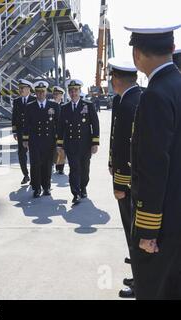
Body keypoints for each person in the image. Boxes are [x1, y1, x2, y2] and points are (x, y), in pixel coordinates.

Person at [125, 24, 181, 300]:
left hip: (164, 224)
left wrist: (147, 230)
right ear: (172, 49)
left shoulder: (154, 96)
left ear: (137, 55)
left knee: (156, 290)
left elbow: (153, 167)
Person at [107, 58, 142, 299]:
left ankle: (140, 283)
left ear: (117, 80)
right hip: (136, 178)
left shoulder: (128, 103)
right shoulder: (132, 98)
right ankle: (138, 275)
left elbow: (124, 145)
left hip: (129, 181)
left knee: (135, 232)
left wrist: (119, 182)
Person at [57, 79, 100, 205]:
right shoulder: (64, 108)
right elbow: (61, 128)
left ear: (79, 91)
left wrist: (95, 143)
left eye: (75, 90)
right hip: (71, 144)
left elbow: (95, 124)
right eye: (71, 91)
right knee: (74, 168)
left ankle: (83, 187)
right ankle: (75, 193)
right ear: (68, 93)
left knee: (85, 169)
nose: (73, 93)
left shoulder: (88, 105)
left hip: (85, 144)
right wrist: (60, 145)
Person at [23, 81, 60, 198]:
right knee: (35, 164)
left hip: (49, 140)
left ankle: (46, 187)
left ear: (46, 92)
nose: (40, 94)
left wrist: (59, 141)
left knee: (47, 164)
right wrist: (25, 139)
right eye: (38, 92)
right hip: (35, 140)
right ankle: (36, 188)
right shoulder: (30, 106)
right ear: (35, 93)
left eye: (42, 91)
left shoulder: (53, 106)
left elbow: (58, 124)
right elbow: (26, 124)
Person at [12, 79, 35, 185]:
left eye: (22, 88)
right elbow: (14, 117)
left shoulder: (34, 100)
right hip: (21, 132)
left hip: (33, 132)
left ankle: (34, 175)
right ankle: (26, 175)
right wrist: (14, 131)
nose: (20, 90)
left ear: (28, 89)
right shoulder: (16, 101)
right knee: (21, 154)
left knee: (34, 154)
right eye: (19, 88)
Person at [51, 86, 66, 175]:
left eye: (58, 94)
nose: (56, 96)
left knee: (61, 149)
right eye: (54, 94)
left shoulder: (64, 106)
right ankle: (53, 164)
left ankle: (60, 168)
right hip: (52, 130)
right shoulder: (50, 105)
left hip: (62, 131)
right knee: (52, 149)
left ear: (61, 95)